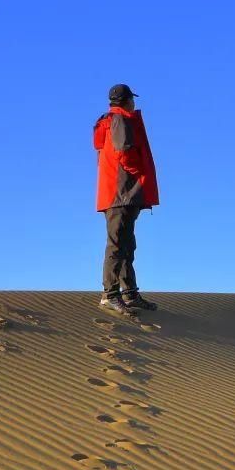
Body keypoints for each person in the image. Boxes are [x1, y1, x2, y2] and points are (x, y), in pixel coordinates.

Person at [92, 83, 160, 314]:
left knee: (126, 244)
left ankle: (129, 293)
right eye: (132, 99)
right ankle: (110, 295)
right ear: (128, 100)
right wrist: (138, 172)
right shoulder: (120, 119)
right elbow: (124, 151)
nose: (134, 103)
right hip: (121, 193)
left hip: (118, 193)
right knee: (118, 244)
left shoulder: (109, 121)